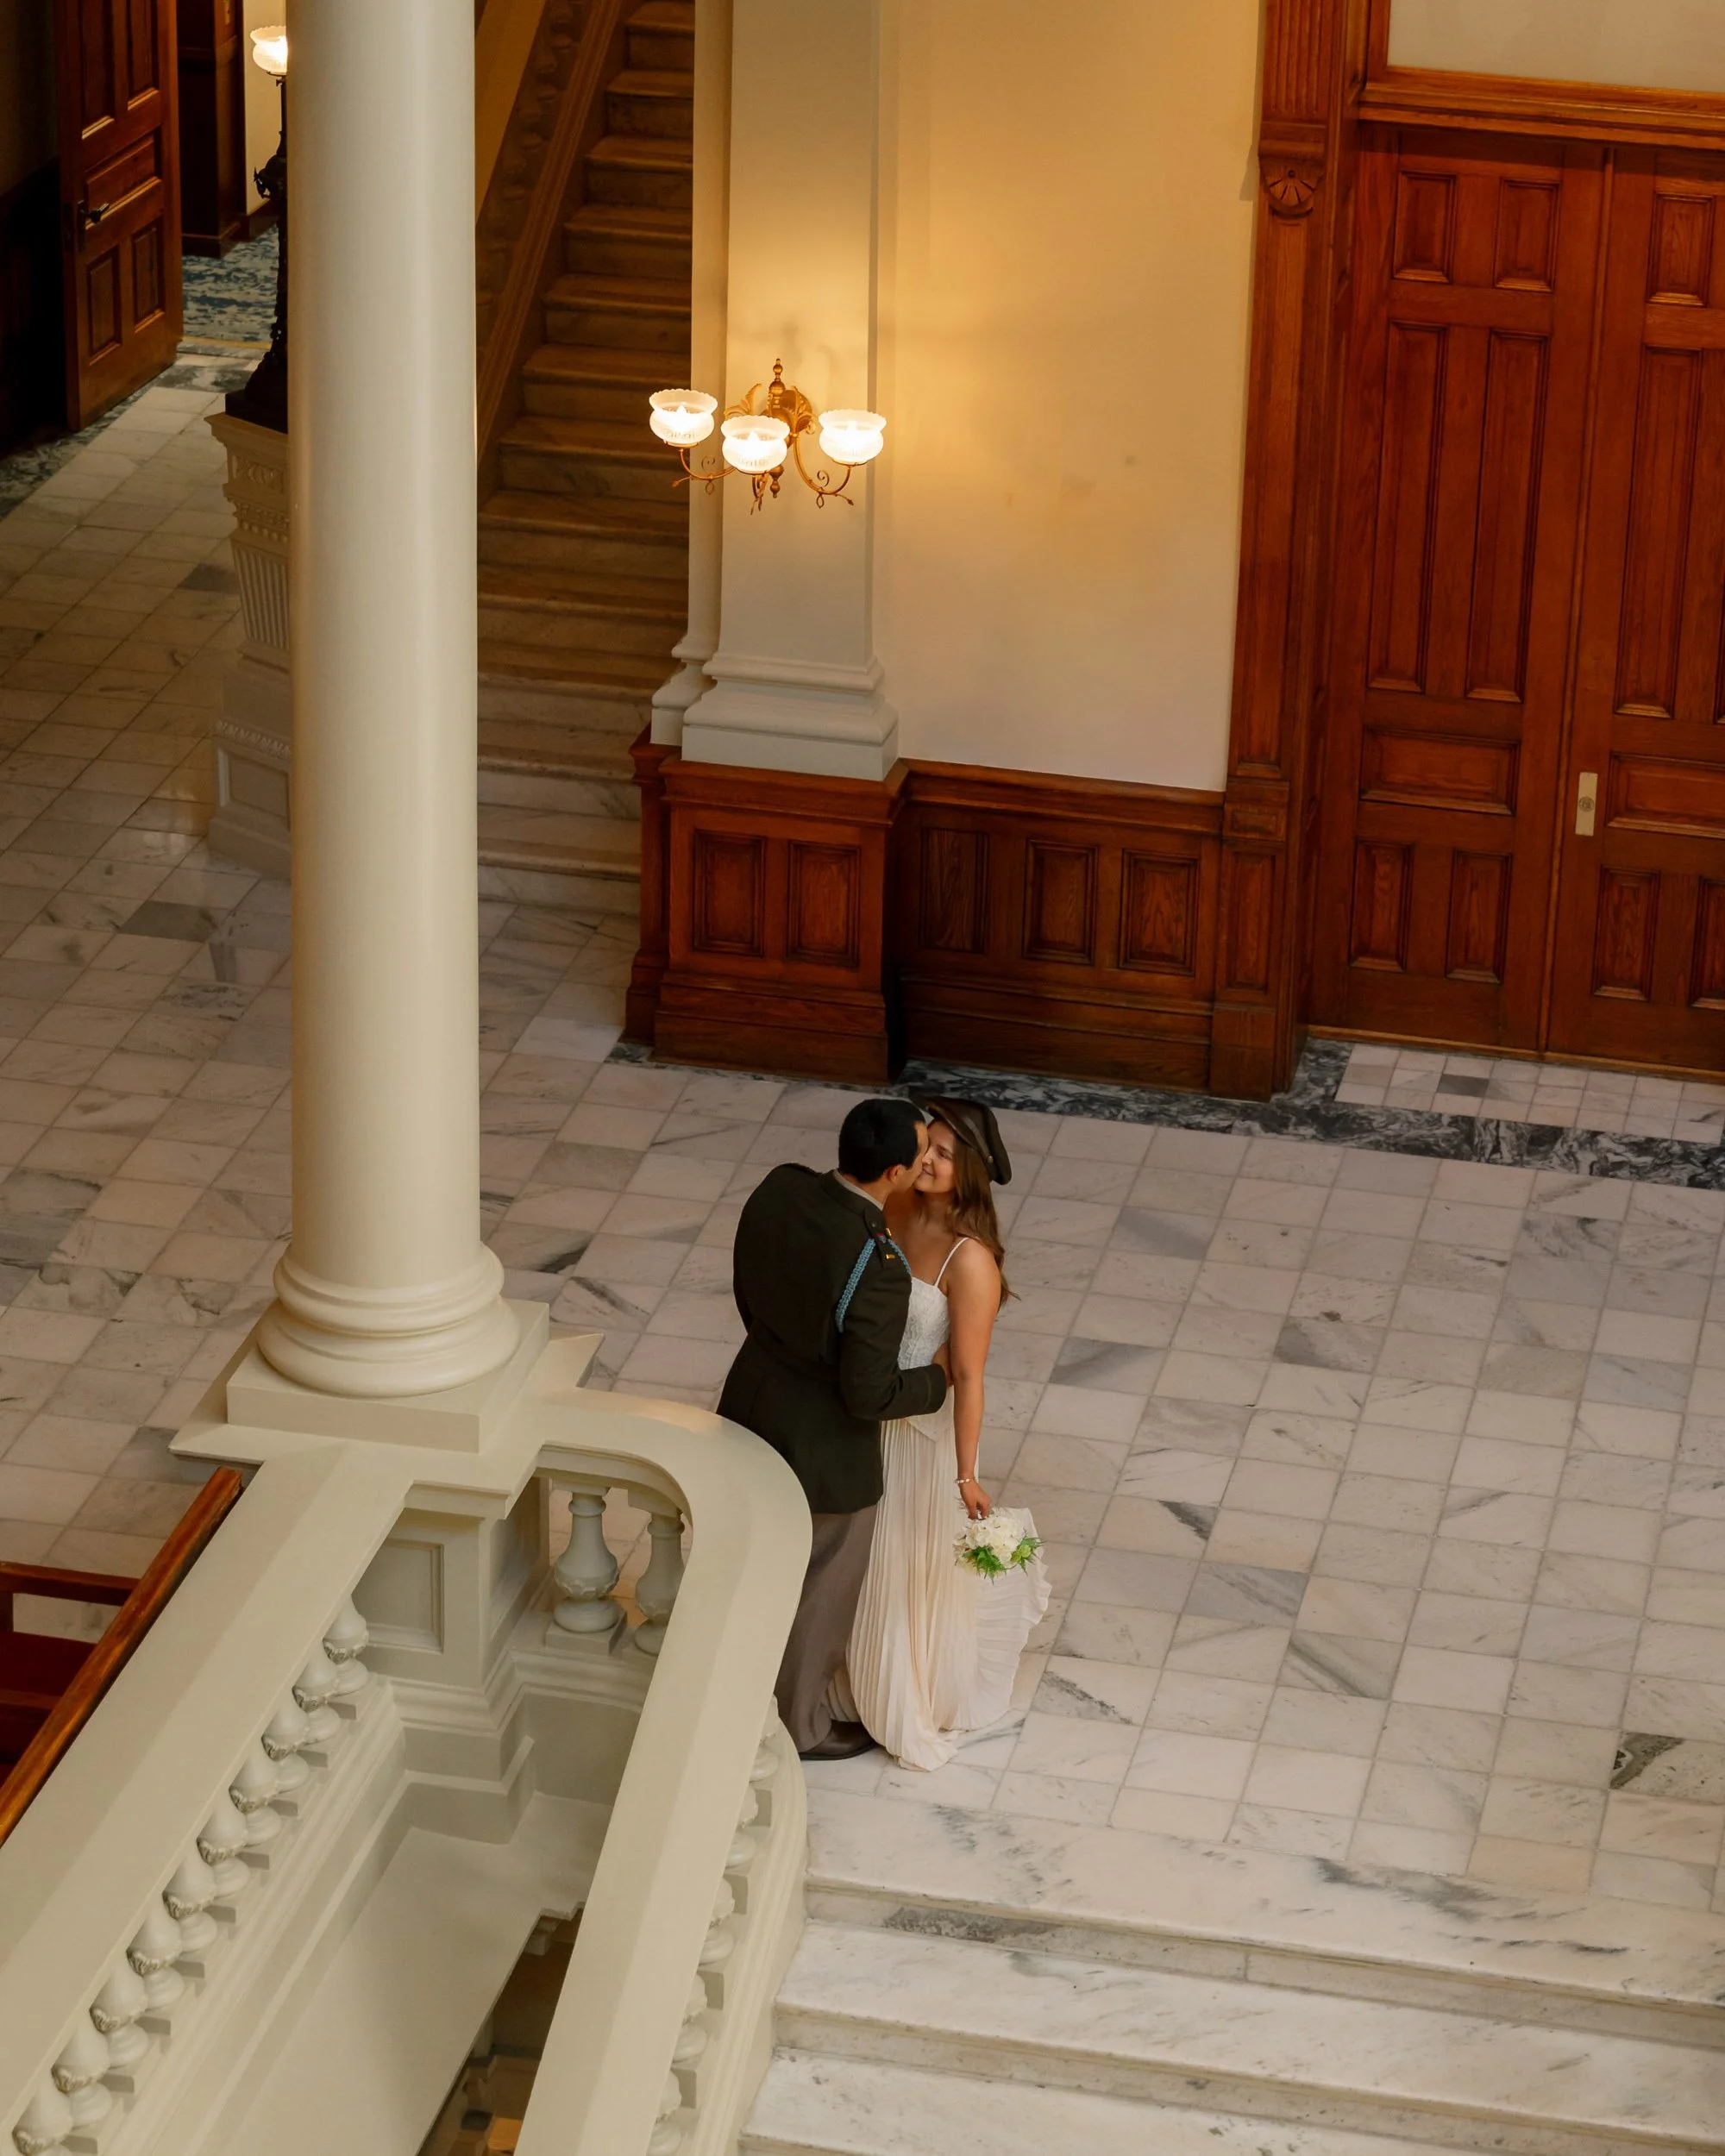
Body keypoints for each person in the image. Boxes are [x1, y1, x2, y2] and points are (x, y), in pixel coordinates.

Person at [718, 1096, 950, 1761]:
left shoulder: (780, 1188)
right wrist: (940, 1379)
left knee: (750, 1564)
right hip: (825, 1448)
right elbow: (869, 1393)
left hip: (751, 1396)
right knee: (820, 1588)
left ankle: (729, 1684)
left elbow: (747, 1288)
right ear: (897, 1173)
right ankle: (799, 1726)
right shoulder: (877, 1269)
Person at [836, 1095, 1048, 1771]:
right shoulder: (890, 1210)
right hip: (863, 1410)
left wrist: (965, 1474)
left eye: (945, 1156)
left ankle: (899, 1685)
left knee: (903, 1557)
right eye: (927, 1145)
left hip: (921, 1434)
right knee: (856, 1551)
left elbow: (969, 1374)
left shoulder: (971, 1260)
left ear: (970, 1174)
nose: (926, 1159)